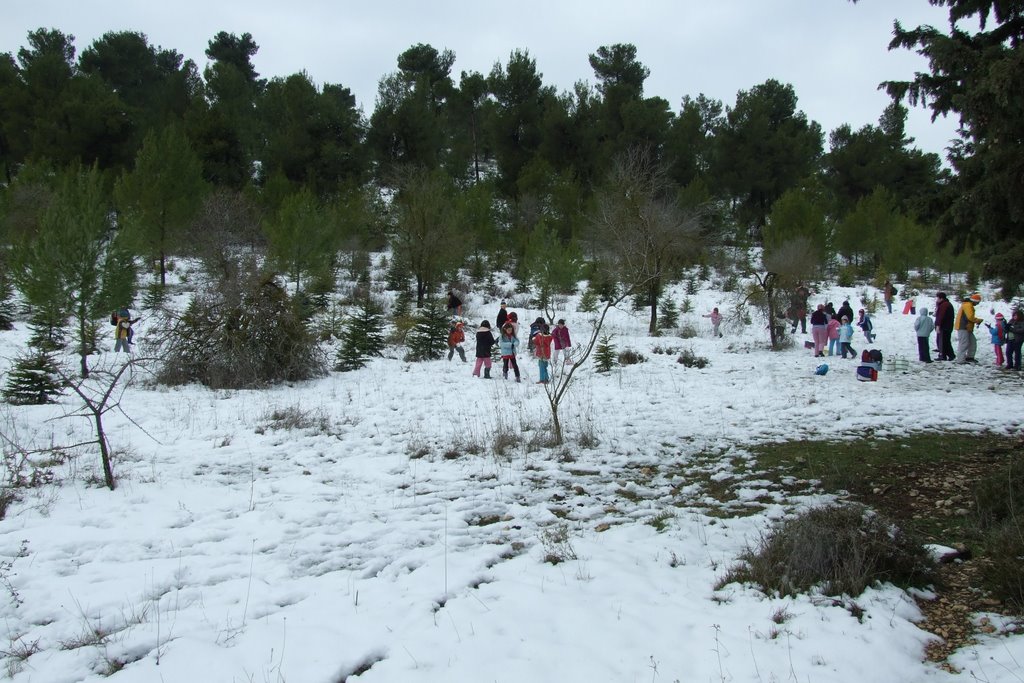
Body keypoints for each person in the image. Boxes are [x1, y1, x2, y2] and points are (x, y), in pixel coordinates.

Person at [954, 292, 984, 364]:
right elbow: (970, 317)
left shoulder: (967, 305)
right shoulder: (968, 305)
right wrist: (978, 320)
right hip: (963, 327)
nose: (978, 304)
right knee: (964, 344)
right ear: (975, 301)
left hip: (967, 328)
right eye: (978, 302)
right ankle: (960, 360)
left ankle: (970, 357)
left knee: (972, 342)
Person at [935, 292, 956, 361]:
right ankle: (950, 355)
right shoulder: (946, 304)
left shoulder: (944, 305)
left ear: (941, 298)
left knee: (942, 341)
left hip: (944, 326)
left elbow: (941, 316)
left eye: (937, 298)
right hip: (948, 326)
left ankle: (943, 355)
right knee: (946, 341)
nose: (936, 299)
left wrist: (938, 325)